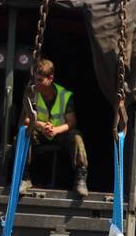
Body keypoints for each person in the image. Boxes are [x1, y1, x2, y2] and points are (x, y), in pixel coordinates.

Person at [25, 58, 90, 198]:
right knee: (24, 133)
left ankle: (80, 177)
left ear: (50, 78)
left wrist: (55, 130)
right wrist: (42, 126)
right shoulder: (32, 92)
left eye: (40, 80)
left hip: (59, 135)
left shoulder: (64, 95)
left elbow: (71, 122)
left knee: (76, 137)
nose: (37, 83)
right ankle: (24, 176)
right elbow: (25, 119)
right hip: (40, 133)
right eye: (35, 79)